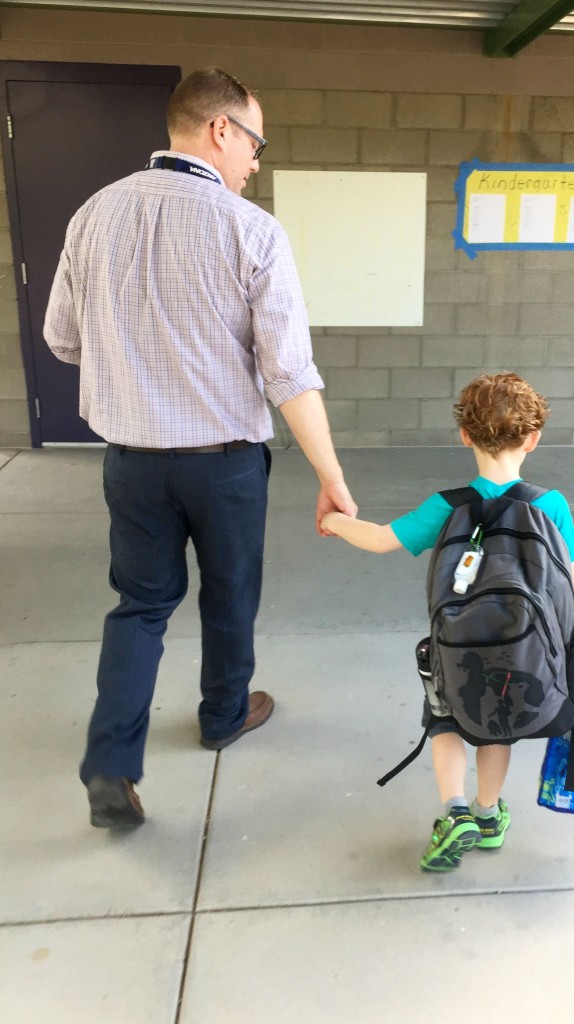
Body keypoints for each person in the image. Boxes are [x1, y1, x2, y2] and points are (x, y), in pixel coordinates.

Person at [43, 67, 356, 830]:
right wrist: (331, 476)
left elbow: (61, 337)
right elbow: (288, 373)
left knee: (140, 607)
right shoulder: (251, 230)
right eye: (255, 143)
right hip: (225, 466)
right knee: (229, 594)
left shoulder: (92, 215)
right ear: (221, 130)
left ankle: (111, 764)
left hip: (132, 462)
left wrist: (137, 364)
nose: (256, 161)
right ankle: (222, 715)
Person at [321, 372, 574, 872]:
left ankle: (454, 812)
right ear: (533, 439)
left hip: (453, 647)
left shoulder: (447, 506)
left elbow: (382, 539)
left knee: (445, 720)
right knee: (497, 729)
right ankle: (488, 814)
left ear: (465, 435)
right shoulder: (549, 505)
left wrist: (335, 521)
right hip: (522, 652)